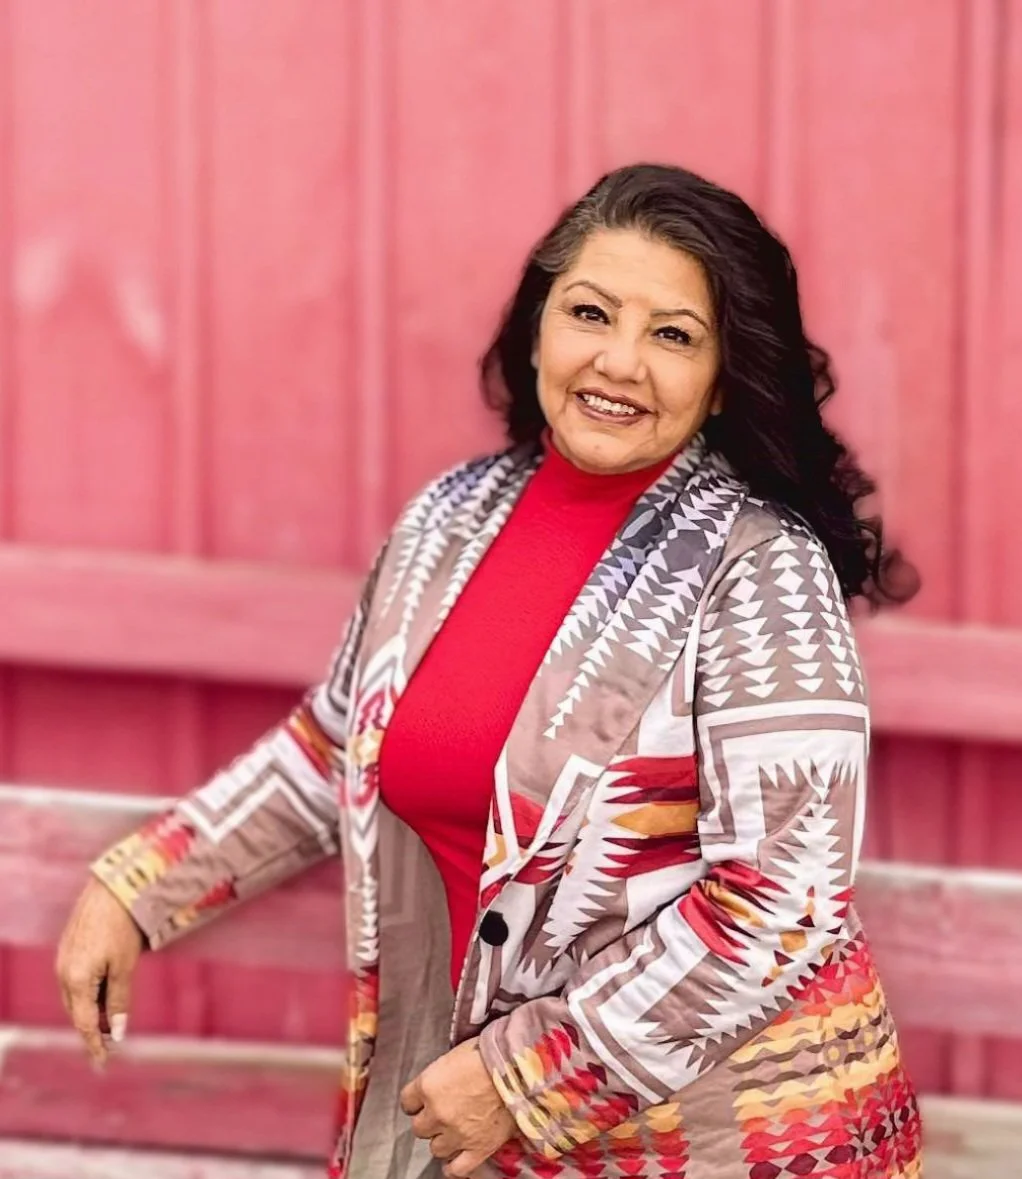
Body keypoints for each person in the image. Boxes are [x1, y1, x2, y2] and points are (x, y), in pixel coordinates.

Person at [56, 163, 923, 1179]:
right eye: (589, 313)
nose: (618, 362)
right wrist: (138, 886)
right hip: (466, 1124)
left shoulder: (758, 566)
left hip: (719, 1143)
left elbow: (779, 900)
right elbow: (335, 748)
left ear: (724, 376)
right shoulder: (450, 521)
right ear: (537, 327)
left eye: (673, 335)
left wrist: (526, 1075)